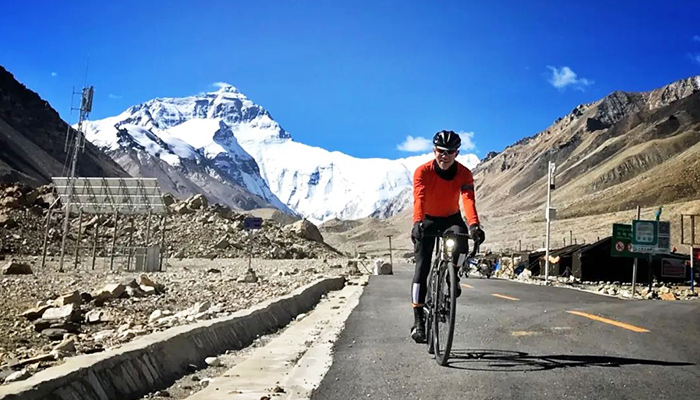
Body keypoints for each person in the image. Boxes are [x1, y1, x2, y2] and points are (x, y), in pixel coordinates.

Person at [410, 130, 485, 343]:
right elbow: (420, 198)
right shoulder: (422, 172)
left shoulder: (464, 173)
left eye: (449, 152)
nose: (444, 156)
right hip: (428, 219)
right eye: (440, 151)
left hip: (452, 218)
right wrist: (417, 222)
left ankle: (454, 275)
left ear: (457, 153)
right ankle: (418, 322)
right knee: (422, 267)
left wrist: (474, 225)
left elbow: (468, 200)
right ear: (434, 150)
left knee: (461, 245)